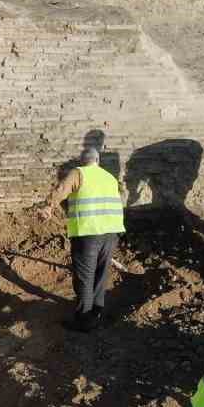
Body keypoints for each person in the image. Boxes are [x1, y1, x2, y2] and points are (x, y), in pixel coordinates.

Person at [36, 138, 126, 332]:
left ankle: (84, 321)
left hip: (88, 233)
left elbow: (61, 190)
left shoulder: (78, 173)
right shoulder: (110, 177)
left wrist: (47, 207)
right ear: (98, 161)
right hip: (111, 233)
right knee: (101, 274)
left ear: (82, 161)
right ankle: (97, 313)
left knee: (85, 277)